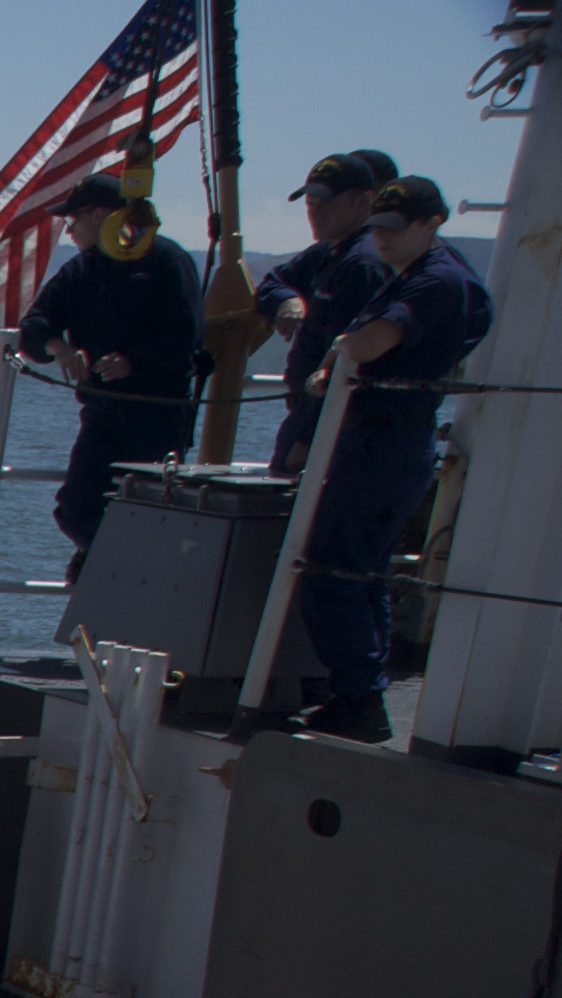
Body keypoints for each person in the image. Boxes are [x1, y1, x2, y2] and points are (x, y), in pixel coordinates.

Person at [288, 176, 494, 743]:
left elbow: (365, 344)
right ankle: (361, 692)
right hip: (380, 439)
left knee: (332, 566)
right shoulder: (416, 274)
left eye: (395, 229)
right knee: (364, 570)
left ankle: (359, 696)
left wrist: (335, 356)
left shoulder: (438, 282)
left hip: (385, 442)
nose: (381, 239)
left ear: (432, 224)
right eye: (377, 227)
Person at [14, 177, 206, 555]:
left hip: (159, 414)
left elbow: (188, 336)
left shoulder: (168, 260)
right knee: (75, 511)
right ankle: (107, 572)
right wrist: (58, 347)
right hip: (102, 413)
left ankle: (114, 578)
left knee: (151, 512)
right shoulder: (82, 270)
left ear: (101, 215)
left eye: (73, 222)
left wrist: (132, 363)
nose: (69, 232)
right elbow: (32, 327)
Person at [260, 150, 398, 473]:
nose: (316, 213)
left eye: (328, 203)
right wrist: (286, 300)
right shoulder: (329, 251)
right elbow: (272, 282)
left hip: (334, 429)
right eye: (311, 204)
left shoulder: (361, 265)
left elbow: (341, 366)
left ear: (363, 202)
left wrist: (306, 443)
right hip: (308, 413)